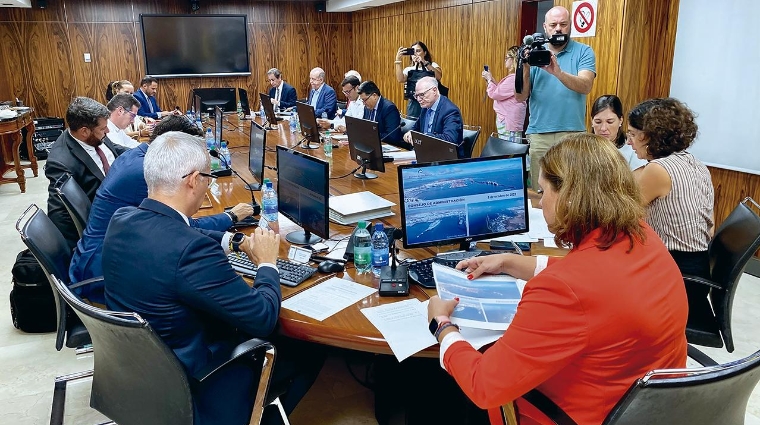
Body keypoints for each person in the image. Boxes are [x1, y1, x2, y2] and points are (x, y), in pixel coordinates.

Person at [427, 133, 688, 425]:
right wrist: (511, 262)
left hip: (576, 413)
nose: (540, 203)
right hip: (652, 407)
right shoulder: (642, 236)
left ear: (568, 196)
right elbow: (597, 279)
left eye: (542, 192)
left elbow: (484, 386)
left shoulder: (564, 289)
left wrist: (442, 326)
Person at [102, 131, 323, 425]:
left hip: (138, 373)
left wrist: (234, 241)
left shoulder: (122, 219)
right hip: (195, 379)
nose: (208, 183)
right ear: (193, 180)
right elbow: (262, 318)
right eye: (208, 176)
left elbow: (183, 229)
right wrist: (268, 263)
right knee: (310, 350)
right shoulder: (191, 251)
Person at [69, 115, 253, 299]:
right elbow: (181, 228)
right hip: (103, 271)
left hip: (104, 254)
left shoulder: (137, 155)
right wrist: (230, 217)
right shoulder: (146, 173)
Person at [627, 97, 714, 305]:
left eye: (631, 134)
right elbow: (710, 229)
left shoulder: (658, 170)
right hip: (697, 271)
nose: (629, 141)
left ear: (647, 136)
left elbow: (622, 215)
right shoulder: (697, 164)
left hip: (677, 276)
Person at [515, 6, 596, 191]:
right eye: (553, 24)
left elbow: (586, 85)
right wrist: (525, 66)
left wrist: (557, 72)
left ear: (570, 26)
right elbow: (520, 96)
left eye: (563, 24)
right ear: (545, 27)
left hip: (572, 134)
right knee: (540, 191)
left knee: (572, 191)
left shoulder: (584, 51)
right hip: (539, 134)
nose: (558, 29)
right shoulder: (534, 53)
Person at [45, 97, 128, 250]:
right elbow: (60, 214)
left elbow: (114, 149)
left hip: (120, 192)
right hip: (108, 220)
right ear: (84, 131)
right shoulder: (61, 163)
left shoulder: (93, 136)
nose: (108, 131)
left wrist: (146, 153)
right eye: (103, 129)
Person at [402, 77, 464, 157]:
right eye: (416, 95)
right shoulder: (426, 106)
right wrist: (410, 133)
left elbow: (450, 140)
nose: (419, 99)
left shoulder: (450, 111)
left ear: (434, 90)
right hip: (426, 154)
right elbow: (416, 129)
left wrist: (424, 138)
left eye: (422, 95)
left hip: (446, 159)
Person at [590, 95, 647, 173]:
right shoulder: (582, 148)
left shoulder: (633, 149)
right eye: (598, 122)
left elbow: (638, 183)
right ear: (592, 121)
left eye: (610, 122)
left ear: (620, 120)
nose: (603, 128)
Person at [482, 46, 526, 139]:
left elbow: (495, 94)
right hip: (509, 121)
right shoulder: (516, 77)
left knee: (510, 150)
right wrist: (491, 79)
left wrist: (489, 79)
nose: (505, 60)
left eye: (507, 58)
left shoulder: (513, 79)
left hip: (509, 122)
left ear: (514, 59)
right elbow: (501, 91)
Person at [394, 41, 442, 118]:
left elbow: (438, 76)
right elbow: (400, 79)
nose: (415, 54)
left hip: (431, 102)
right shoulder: (409, 69)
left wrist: (424, 62)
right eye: (413, 52)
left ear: (425, 53)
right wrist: (398, 61)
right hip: (414, 104)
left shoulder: (432, 65)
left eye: (418, 51)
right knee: (413, 126)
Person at [357, 80, 405, 149]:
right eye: (362, 100)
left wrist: (371, 135)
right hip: (373, 145)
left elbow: (393, 136)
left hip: (390, 147)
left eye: (365, 100)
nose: (363, 103)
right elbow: (366, 128)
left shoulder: (389, 108)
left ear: (374, 96)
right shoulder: (367, 108)